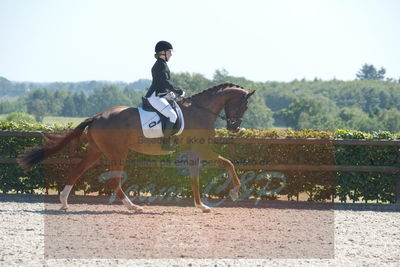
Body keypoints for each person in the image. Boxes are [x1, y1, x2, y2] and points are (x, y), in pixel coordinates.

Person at [145, 41, 185, 151]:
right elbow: (165, 82)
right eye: (169, 52)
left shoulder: (161, 64)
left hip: (160, 95)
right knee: (172, 116)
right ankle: (165, 143)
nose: (171, 54)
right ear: (163, 52)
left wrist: (169, 93)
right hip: (155, 97)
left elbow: (161, 83)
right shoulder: (160, 65)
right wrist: (179, 91)